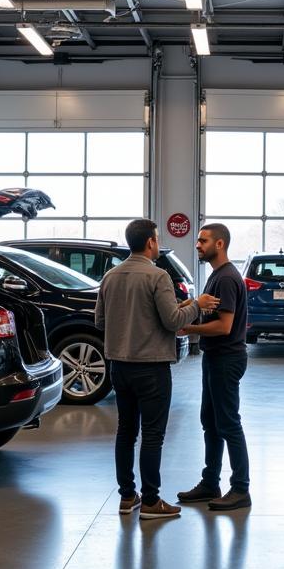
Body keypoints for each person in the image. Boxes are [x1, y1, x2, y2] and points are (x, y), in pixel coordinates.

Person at [96, 218, 219, 520]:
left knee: (126, 431)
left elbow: (100, 322)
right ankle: (151, 501)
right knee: (152, 435)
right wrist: (198, 304)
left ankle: (128, 496)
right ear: (150, 242)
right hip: (151, 369)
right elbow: (173, 321)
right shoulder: (158, 276)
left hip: (119, 368)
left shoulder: (110, 276)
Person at [176, 223, 252, 512]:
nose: (197, 244)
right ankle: (210, 482)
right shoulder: (215, 276)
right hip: (214, 358)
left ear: (219, 244)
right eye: (198, 240)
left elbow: (224, 326)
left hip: (226, 358)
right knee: (210, 421)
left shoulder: (227, 278)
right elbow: (214, 314)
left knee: (228, 424)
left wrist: (189, 328)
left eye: (203, 240)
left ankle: (241, 488)